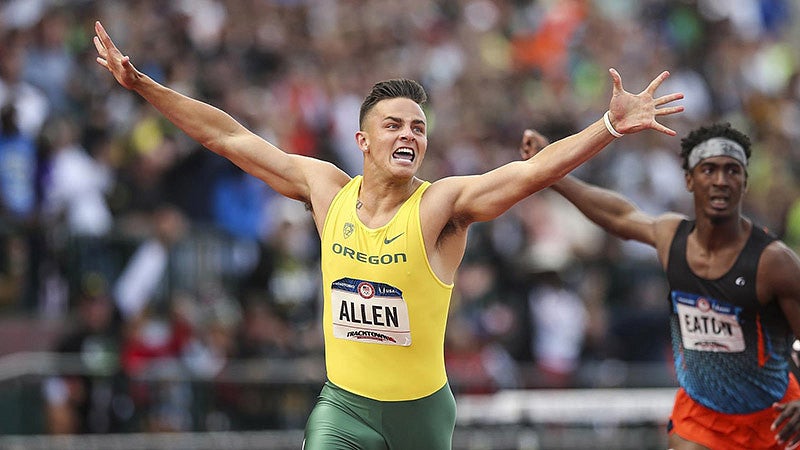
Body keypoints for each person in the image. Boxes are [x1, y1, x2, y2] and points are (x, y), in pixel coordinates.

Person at [93, 19, 683, 449]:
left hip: (420, 418)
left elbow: (530, 173)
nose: (409, 135)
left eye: (419, 127)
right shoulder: (325, 190)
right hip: (343, 408)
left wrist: (608, 126)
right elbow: (226, 137)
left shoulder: (441, 206)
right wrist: (145, 86)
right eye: (393, 124)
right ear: (363, 141)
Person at [519, 123, 800, 449]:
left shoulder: (773, 262)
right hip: (701, 415)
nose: (720, 181)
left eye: (732, 171)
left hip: (774, 418)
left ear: (744, 183)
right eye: (708, 170)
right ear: (689, 180)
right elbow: (619, 216)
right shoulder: (672, 238)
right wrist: (551, 173)